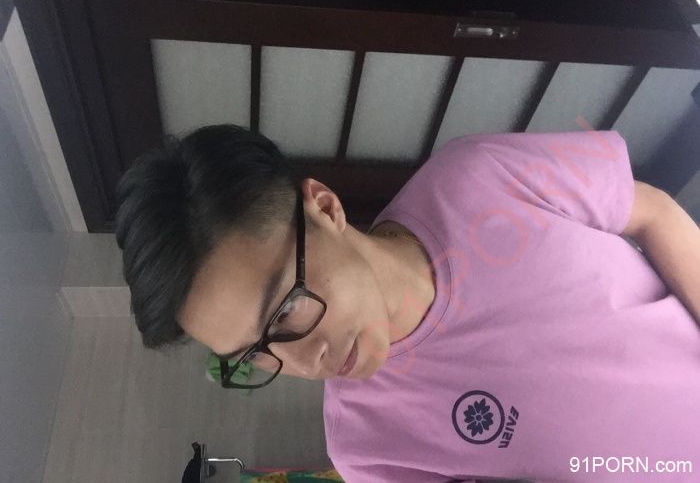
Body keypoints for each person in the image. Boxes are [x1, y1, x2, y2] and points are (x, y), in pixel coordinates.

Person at [115, 123, 699, 482]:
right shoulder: (366, 447)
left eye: (287, 308)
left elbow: (649, 212)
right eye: (253, 355)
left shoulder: (479, 177)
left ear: (324, 208)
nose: (303, 362)